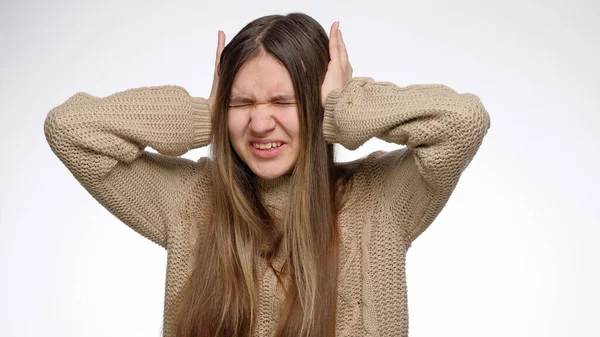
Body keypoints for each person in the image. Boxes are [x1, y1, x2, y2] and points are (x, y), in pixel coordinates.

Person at [44, 12, 490, 337]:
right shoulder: (188, 200)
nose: (259, 124)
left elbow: (462, 121)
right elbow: (69, 129)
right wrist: (208, 116)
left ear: (319, 101)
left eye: (283, 101)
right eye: (242, 103)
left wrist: (343, 108)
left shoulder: (381, 200)